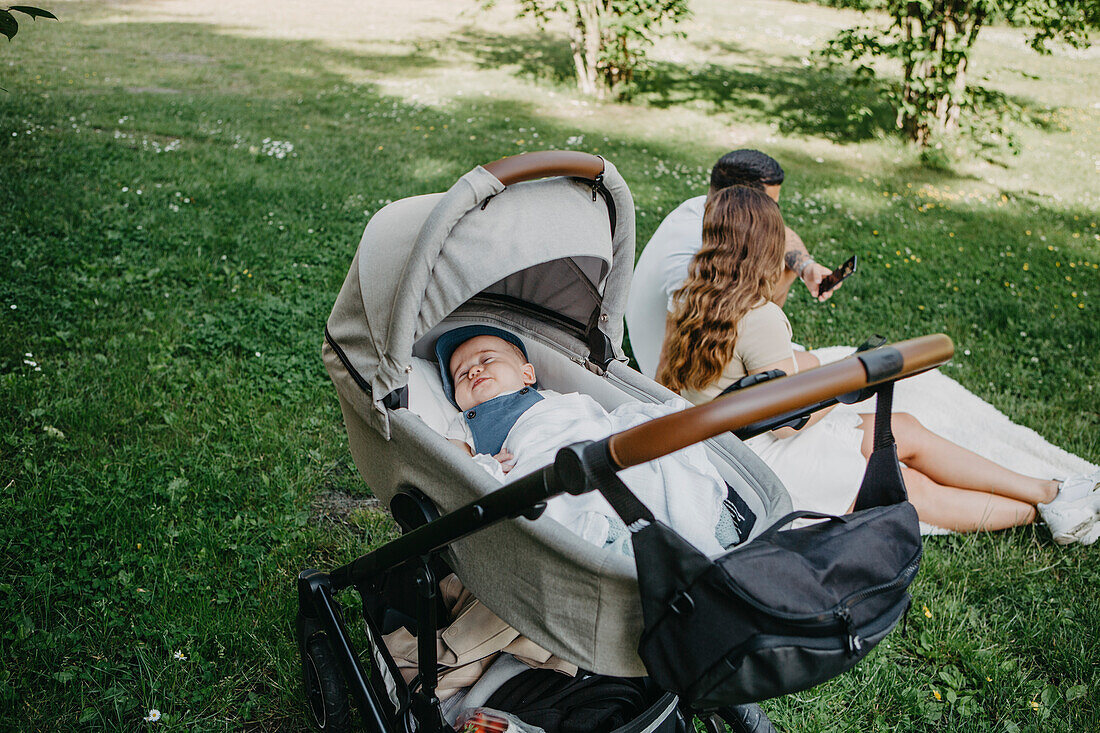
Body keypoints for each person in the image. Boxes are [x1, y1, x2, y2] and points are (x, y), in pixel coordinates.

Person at [655, 184, 1100, 543]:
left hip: (717, 445)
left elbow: (667, 386)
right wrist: (851, 380)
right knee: (904, 486)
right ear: (765, 246)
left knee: (901, 427)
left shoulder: (686, 297)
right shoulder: (760, 316)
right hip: (758, 464)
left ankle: (1051, 492)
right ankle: (1043, 514)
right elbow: (788, 422)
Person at [433, 325, 747, 556]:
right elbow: (453, 461)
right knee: (569, 491)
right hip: (547, 463)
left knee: (646, 455)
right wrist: (481, 465)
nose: (474, 370)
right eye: (461, 374)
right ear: (460, 401)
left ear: (527, 374)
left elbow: (594, 418)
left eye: (487, 359)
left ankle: (685, 525)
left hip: (597, 440)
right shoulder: (466, 423)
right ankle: (616, 538)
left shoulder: (551, 397)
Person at [627, 149, 835, 378]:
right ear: (745, 203)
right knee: (829, 371)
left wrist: (806, 267)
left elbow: (783, 235)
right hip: (689, 369)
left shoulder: (703, 209)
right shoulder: (693, 262)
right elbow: (676, 367)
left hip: (691, 355)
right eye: (771, 206)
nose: (777, 213)